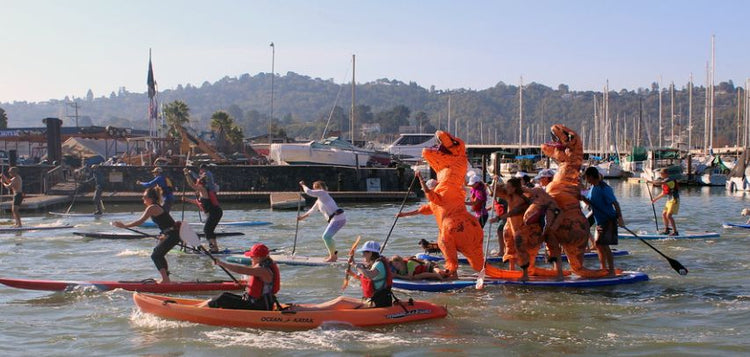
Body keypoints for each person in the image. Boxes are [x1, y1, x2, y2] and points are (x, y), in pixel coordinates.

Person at [112, 187, 179, 283]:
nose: (143, 199)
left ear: (151, 198)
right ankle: (166, 279)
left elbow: (140, 221)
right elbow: (165, 223)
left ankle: (165, 280)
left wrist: (124, 226)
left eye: (144, 197)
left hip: (173, 234)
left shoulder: (152, 208)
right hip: (171, 234)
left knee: (156, 255)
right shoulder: (155, 206)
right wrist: (163, 234)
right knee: (159, 254)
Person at [204, 243, 280, 310]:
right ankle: (200, 308)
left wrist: (222, 263)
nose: (250, 258)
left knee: (222, 298)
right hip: (254, 302)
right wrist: (245, 284)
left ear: (259, 257)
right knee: (224, 295)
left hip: (259, 306)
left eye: (252, 256)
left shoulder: (263, 270)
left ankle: (199, 311)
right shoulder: (265, 265)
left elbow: (240, 269)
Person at [581, 166, 624, 277]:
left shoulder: (604, 188)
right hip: (599, 220)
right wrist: (582, 198)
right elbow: (591, 203)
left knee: (604, 245)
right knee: (598, 244)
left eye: (586, 177)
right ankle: (603, 268)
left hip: (608, 219)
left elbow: (615, 203)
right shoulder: (593, 187)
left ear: (590, 176)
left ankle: (611, 271)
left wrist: (620, 218)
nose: (585, 179)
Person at [297, 180, 346, 262]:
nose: (314, 190)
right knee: (328, 237)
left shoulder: (323, 193)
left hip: (338, 218)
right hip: (337, 219)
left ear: (319, 187)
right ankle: (333, 255)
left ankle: (333, 257)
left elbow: (308, 192)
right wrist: (302, 217)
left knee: (326, 237)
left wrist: (303, 185)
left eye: (315, 188)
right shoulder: (320, 200)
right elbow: (312, 210)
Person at [183, 168, 223, 253]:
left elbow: (192, 185)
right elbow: (199, 203)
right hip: (215, 213)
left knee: (207, 230)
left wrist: (186, 174)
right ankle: (214, 247)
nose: (196, 185)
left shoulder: (204, 190)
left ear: (200, 184)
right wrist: (187, 200)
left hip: (215, 213)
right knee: (209, 230)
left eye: (198, 183)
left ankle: (214, 248)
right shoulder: (202, 193)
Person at [347, 240, 393, 308]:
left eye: (364, 252)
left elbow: (369, 275)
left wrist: (355, 265)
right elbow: (366, 280)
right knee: (342, 300)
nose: (362, 255)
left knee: (342, 301)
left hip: (381, 301)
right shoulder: (373, 264)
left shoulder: (379, 264)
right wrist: (352, 272)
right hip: (374, 298)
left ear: (370, 253)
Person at [651, 169, 679, 236]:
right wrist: (655, 199)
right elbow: (663, 193)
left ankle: (675, 232)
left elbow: (660, 183)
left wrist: (649, 181)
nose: (660, 175)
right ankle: (667, 229)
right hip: (669, 200)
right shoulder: (665, 181)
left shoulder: (670, 179)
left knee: (668, 215)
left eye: (661, 174)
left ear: (665, 174)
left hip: (674, 199)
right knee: (664, 214)